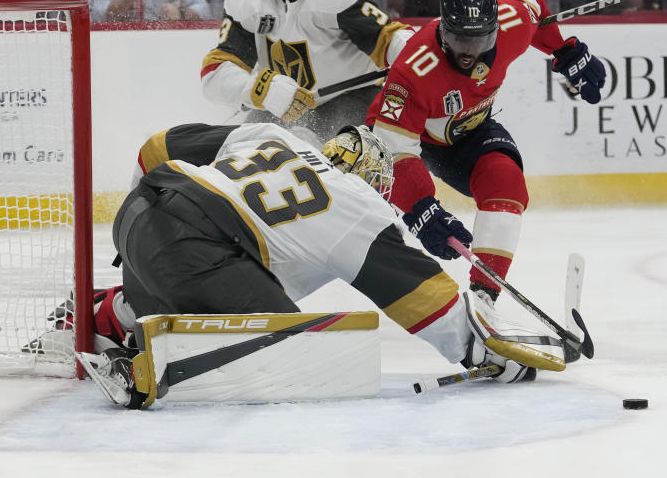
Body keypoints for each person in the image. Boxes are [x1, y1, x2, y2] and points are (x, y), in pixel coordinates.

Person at [80, 122, 565, 407]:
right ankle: (146, 368)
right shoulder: (357, 204)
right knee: (291, 349)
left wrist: (151, 222)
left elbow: (158, 147)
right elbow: (421, 294)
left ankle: (105, 313)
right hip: (195, 247)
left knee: (220, 283)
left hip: (142, 214)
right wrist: (483, 352)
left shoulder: (273, 136)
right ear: (372, 180)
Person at [365, 0, 605, 310]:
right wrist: (421, 210)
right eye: (459, 39)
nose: (470, 53)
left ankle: (484, 299)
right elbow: (390, 153)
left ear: (496, 28)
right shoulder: (413, 71)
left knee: (507, 185)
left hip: (472, 129)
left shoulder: (512, 23)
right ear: (443, 28)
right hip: (411, 140)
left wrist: (564, 51)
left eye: (480, 39)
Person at [201, 0, 412, 143]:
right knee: (242, 150)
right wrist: (262, 89)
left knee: (332, 155)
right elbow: (213, 76)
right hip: (282, 104)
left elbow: (386, 38)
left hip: (351, 98)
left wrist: (415, 51)